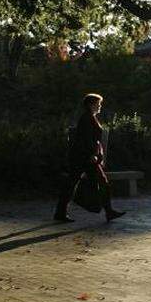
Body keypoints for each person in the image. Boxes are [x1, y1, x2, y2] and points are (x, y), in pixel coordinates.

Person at [54, 93, 126, 222]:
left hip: (81, 157)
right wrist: (92, 154)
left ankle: (61, 212)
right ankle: (108, 211)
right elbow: (86, 139)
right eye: (98, 103)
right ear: (91, 104)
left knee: (72, 183)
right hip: (86, 158)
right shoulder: (87, 118)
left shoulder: (88, 117)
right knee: (100, 182)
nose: (100, 106)